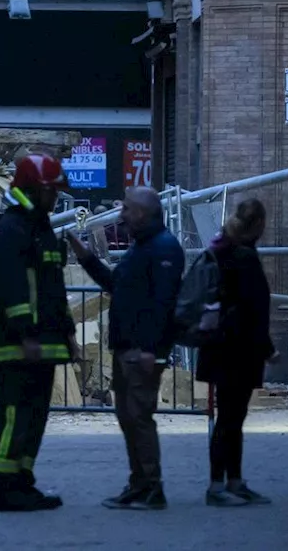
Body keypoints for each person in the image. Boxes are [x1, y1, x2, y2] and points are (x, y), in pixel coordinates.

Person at [67, 186, 183, 511]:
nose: (121, 215)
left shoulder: (163, 249)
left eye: (127, 210)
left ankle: (150, 487)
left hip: (141, 353)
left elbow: (165, 304)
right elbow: (115, 285)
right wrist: (86, 256)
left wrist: (154, 351)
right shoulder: (141, 248)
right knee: (129, 418)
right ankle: (139, 483)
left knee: (139, 418)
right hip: (126, 350)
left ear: (142, 214)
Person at [0, 154, 79, 512]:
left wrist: (68, 331)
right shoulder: (10, 230)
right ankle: (1, 487)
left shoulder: (41, 228)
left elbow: (53, 288)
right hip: (19, 345)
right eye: (51, 192)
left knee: (35, 417)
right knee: (14, 416)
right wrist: (26, 334)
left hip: (45, 343)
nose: (55, 199)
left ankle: (23, 482)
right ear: (34, 189)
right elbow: (13, 288)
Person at [195, 198, 275, 506]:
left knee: (230, 418)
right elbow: (252, 308)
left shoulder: (222, 248)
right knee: (230, 419)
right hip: (237, 352)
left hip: (219, 348)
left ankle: (234, 481)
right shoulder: (243, 257)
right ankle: (219, 486)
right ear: (258, 225)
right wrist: (267, 348)